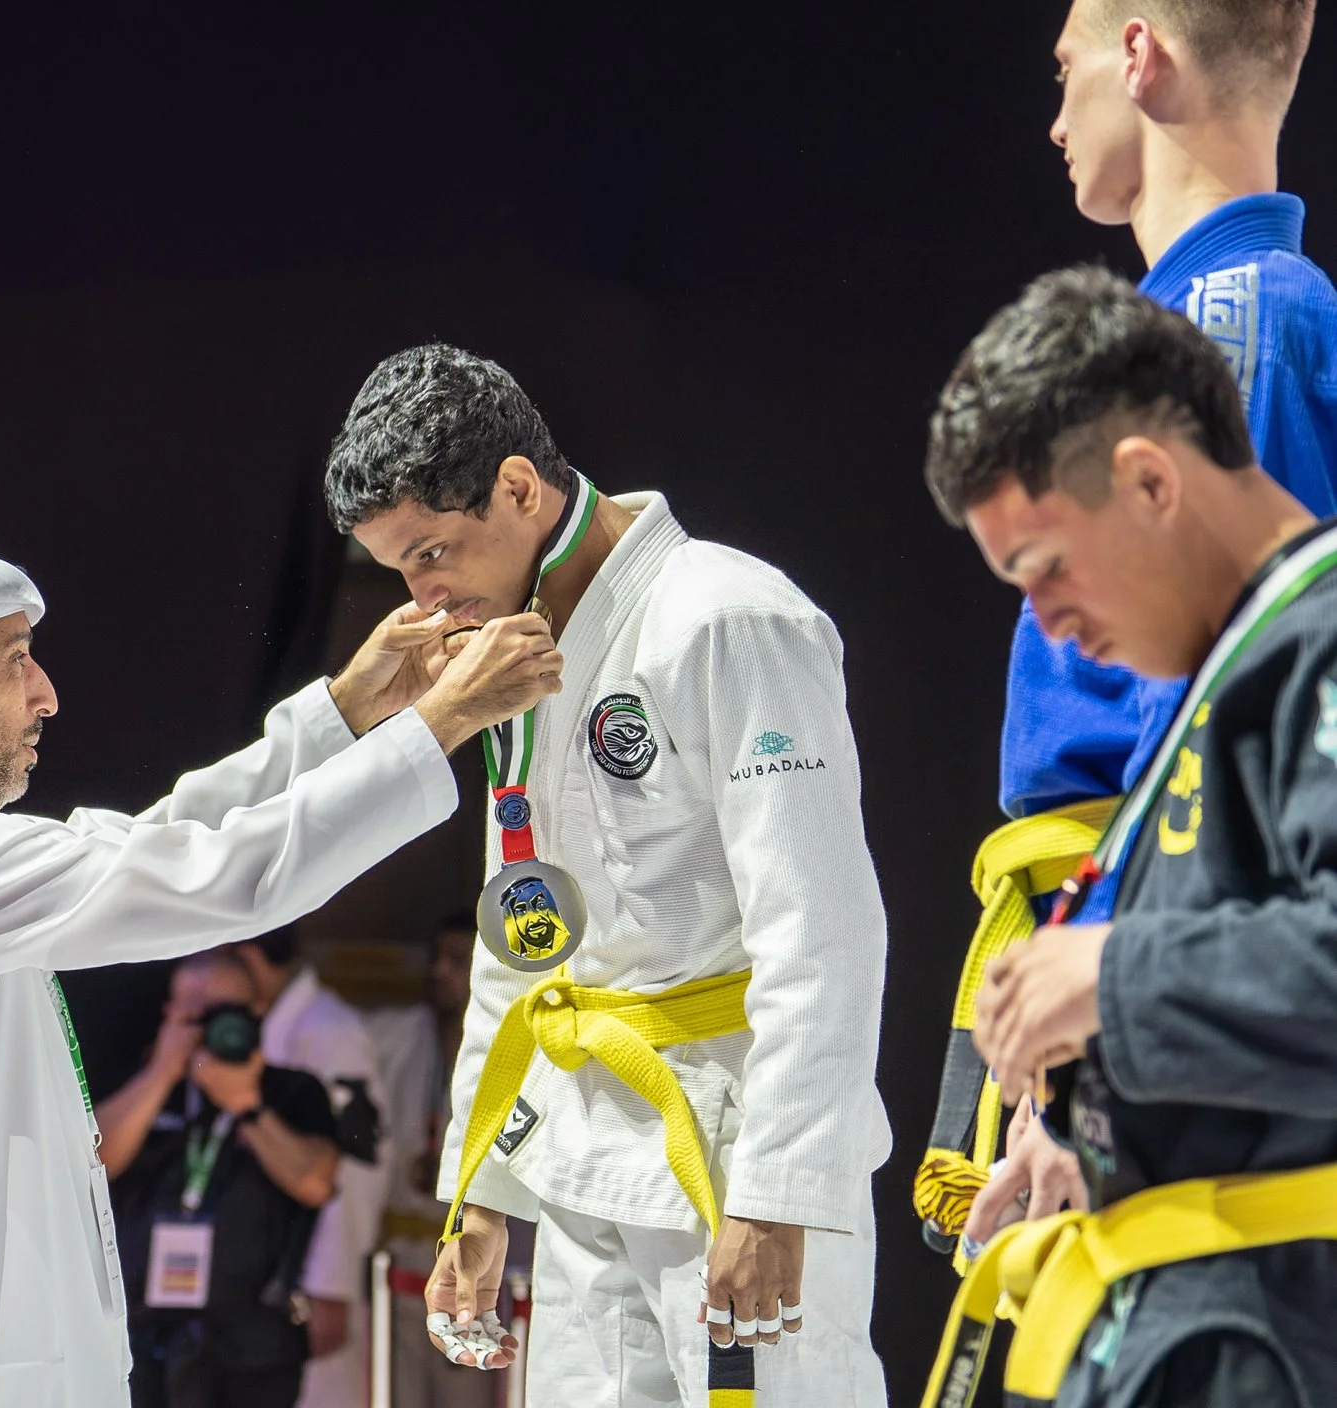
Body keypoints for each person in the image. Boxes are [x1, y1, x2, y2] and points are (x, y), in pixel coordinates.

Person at [0, 540, 564, 1407]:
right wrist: (441, 722)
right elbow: (215, 876)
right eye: (16, 658)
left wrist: (342, 716)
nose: (47, 694)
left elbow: (161, 839)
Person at [326, 344, 892, 1406]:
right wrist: (479, 1189)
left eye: (433, 551)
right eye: (398, 565)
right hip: (583, 1156)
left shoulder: (725, 617)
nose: (421, 593)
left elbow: (822, 931)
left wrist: (777, 1192)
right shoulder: (519, 656)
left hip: (729, 1149)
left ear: (518, 488)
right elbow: (525, 935)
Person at [920, 0, 1337, 1250]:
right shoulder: (1203, 316)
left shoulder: (1231, 317)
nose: (1053, 119)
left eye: (1066, 70)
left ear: (1140, 52)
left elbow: (1228, 699)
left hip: (1160, 940)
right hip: (1118, 932)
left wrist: (1104, 1034)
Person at [920, 266, 1337, 1408]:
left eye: (1042, 568)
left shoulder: (1320, 642)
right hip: (1177, 1321)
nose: (1045, 621)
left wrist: (1109, 972)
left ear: (1149, 480)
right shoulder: (1219, 680)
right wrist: (1094, 1136)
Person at [99, 950, 343, 1408]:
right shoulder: (136, 1080)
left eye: (224, 1013)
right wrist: (162, 1072)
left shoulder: (293, 1091)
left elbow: (315, 1183)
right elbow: (92, 1167)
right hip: (140, 1338)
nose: (209, 1028)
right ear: (170, 1014)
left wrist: (246, 1104)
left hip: (254, 1343)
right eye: (195, 1014)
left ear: (257, 1013)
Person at [360, 912, 511, 1408]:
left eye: (458, 960)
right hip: (401, 1254)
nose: (440, 973)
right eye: (437, 959)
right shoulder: (402, 1034)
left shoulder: (513, 1046)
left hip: (485, 1260)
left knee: (468, 1392)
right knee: (394, 1390)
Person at [231, 926, 386, 1408]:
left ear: (249, 959)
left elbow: (358, 1166)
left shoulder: (327, 1030)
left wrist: (330, 1285)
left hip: (314, 1287)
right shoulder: (282, 1022)